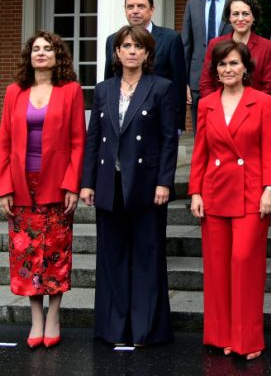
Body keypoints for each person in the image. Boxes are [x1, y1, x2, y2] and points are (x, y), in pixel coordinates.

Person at [81, 25, 178, 346]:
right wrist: (87, 182)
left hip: (147, 185)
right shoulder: (103, 89)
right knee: (112, 256)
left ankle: (146, 329)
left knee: (147, 256)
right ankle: (113, 328)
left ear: (148, 53)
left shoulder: (161, 88)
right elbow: (93, 138)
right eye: (126, 46)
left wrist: (165, 181)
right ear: (117, 53)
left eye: (138, 46)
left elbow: (168, 140)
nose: (132, 51)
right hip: (109, 183)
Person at [189, 40, 271, 361]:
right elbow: (200, 150)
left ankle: (247, 339)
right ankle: (220, 335)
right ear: (216, 70)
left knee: (245, 263)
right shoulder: (206, 104)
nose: (228, 69)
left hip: (251, 193)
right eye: (222, 64)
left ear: (245, 68)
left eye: (234, 64)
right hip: (214, 191)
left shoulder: (262, 102)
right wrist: (195, 191)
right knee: (216, 268)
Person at [0, 31, 84, 349]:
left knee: (55, 253)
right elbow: (4, 142)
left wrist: (72, 186)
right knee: (27, 255)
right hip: (21, 186)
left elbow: (78, 142)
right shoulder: (14, 92)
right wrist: (4, 186)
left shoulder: (71, 91)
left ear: (57, 56)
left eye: (47, 49)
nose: (41, 53)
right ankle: (36, 318)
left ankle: (54, 316)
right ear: (29, 57)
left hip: (56, 185)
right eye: (35, 49)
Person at [104, 0, 187, 131]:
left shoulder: (170, 38)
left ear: (152, 10)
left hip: (160, 118)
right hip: (124, 118)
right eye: (130, 6)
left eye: (141, 6)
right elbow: (110, 79)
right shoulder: (113, 40)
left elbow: (178, 86)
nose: (135, 11)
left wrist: (177, 125)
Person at [182, 0, 232, 131]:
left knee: (228, 129)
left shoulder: (235, 4)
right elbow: (186, 45)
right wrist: (185, 82)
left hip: (230, 77)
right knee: (201, 132)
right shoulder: (192, 5)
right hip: (197, 80)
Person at [199, 0, 271, 98]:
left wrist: (252, 108)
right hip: (219, 109)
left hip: (254, 109)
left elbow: (269, 87)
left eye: (245, 14)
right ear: (229, 18)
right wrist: (217, 107)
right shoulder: (215, 44)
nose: (240, 19)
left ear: (254, 17)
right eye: (235, 14)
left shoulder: (267, 47)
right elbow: (206, 83)